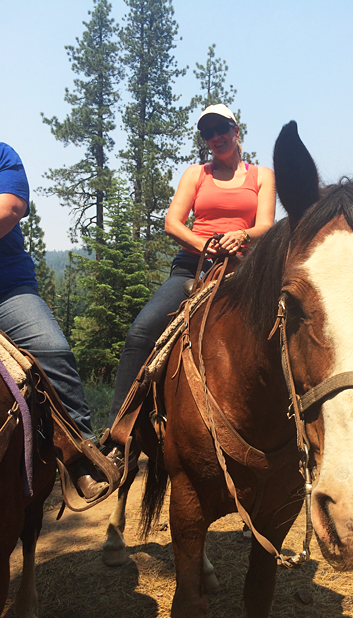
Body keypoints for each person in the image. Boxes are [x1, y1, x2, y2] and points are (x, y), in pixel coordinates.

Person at [105, 104, 275, 452]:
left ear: (235, 130)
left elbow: (266, 226)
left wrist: (242, 236)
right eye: (207, 133)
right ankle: (117, 433)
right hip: (192, 267)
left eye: (221, 130)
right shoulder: (196, 174)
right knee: (141, 331)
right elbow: (173, 222)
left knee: (287, 328)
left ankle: (300, 429)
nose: (215, 138)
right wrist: (206, 246)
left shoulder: (262, 175)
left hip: (245, 272)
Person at [0, 141, 110, 502]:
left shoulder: (3, 154)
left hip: (8, 289)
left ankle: (81, 456)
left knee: (53, 349)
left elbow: (11, 208)